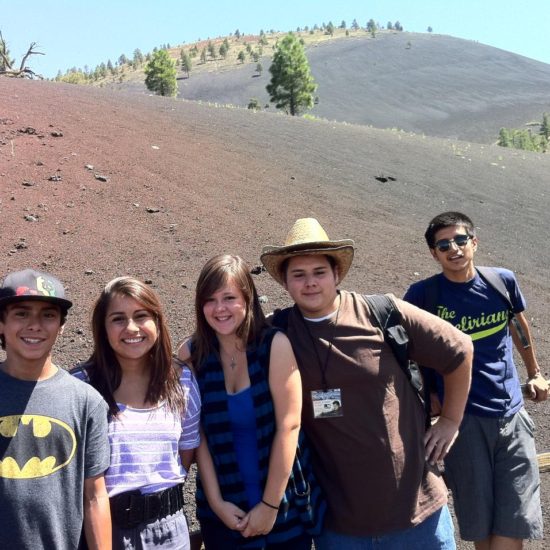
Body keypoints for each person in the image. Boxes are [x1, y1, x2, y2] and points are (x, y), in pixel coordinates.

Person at [260, 218, 474, 549]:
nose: (310, 283)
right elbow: (223, 336)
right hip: (340, 526)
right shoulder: (280, 332)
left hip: (418, 515)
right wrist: (185, 353)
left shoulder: (380, 313)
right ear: (285, 282)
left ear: (337, 274)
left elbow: (459, 349)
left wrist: (450, 420)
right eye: (298, 275)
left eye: (319, 272)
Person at [404, 211, 547, 549]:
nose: (454, 248)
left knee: (516, 515)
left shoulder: (502, 282)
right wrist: (427, 399)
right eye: (443, 244)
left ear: (474, 242)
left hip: (511, 414)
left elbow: (518, 327)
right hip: (461, 424)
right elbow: (406, 351)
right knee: (479, 522)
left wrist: (535, 373)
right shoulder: (424, 296)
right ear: (433, 253)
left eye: (460, 239)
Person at [178, 254, 324, 549]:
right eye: (210, 299)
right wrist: (218, 503)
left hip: (284, 508)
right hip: (222, 509)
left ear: (248, 298)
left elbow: (289, 426)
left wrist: (269, 507)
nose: (220, 309)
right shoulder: (192, 355)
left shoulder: (274, 346)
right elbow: (197, 435)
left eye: (229, 297)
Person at [71, 276, 201, 550]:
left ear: (157, 321)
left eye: (141, 316)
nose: (131, 328)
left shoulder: (182, 381)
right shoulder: (81, 386)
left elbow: (185, 453)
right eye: (118, 319)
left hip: (169, 531)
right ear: (103, 328)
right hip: (104, 531)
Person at [0, 269, 111, 550]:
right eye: (21, 313)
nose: (35, 325)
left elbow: (94, 496)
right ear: (1, 323)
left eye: (48, 315)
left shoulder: (86, 401)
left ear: (61, 325)